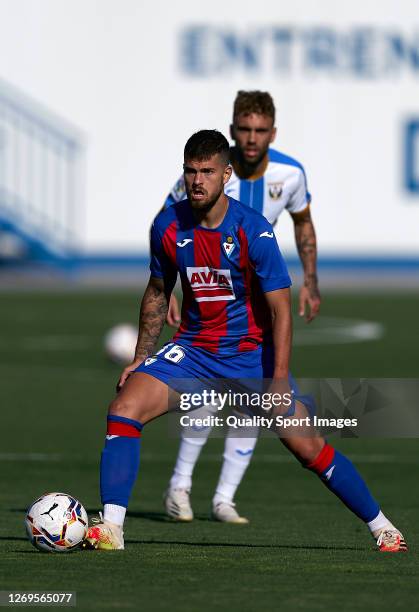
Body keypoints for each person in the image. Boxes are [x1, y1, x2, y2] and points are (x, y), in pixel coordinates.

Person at [83, 129, 406, 553]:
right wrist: (141, 358)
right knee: (124, 407)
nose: (197, 180)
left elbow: (281, 312)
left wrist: (276, 380)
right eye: (191, 171)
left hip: (251, 358)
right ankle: (111, 528)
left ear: (226, 175)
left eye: (207, 172)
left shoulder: (254, 231)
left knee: (309, 448)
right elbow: (159, 292)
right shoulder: (167, 226)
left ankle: (383, 527)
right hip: (194, 353)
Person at [163, 91, 321, 523]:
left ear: (273, 132)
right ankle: (180, 485)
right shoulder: (210, 168)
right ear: (232, 129)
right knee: (205, 393)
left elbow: (303, 224)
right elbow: (171, 222)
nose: (251, 138)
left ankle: (224, 498)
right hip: (211, 292)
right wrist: (173, 289)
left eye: (260, 130)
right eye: (244, 129)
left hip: (258, 301)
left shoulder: (290, 174)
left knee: (252, 399)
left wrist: (311, 280)